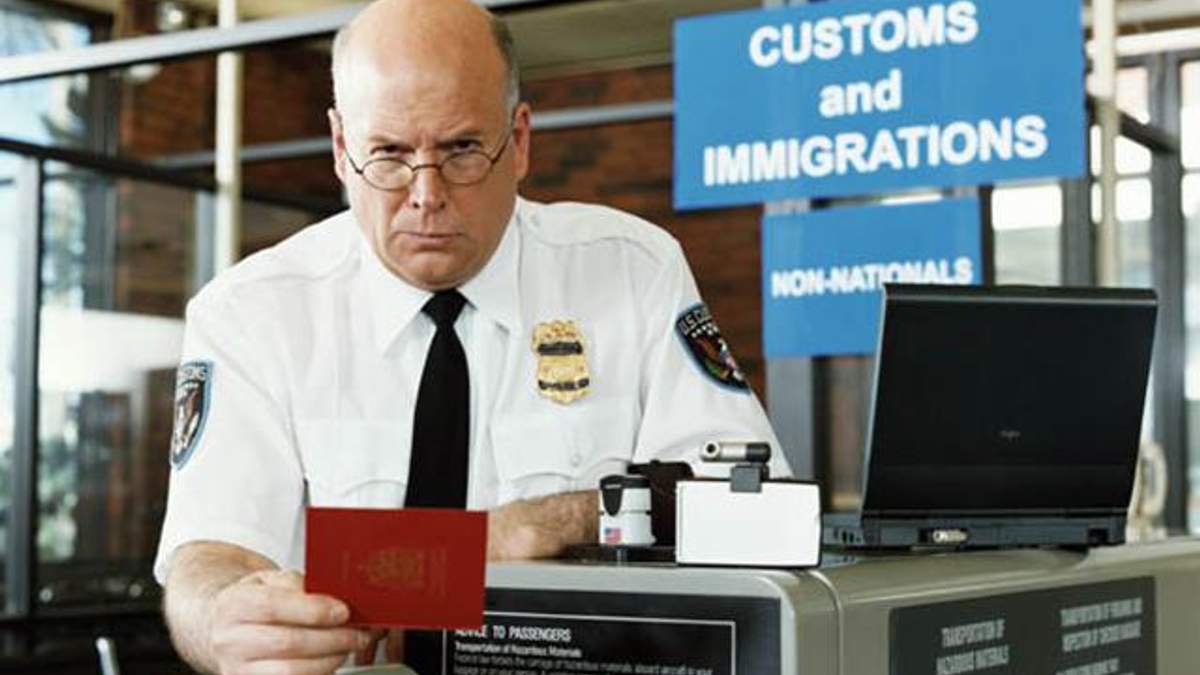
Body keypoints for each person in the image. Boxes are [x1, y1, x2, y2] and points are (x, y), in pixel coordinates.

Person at [154, 0, 788, 672]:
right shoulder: (251, 314)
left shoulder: (633, 272)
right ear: (341, 149)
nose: (426, 194)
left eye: (461, 150)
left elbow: (748, 504)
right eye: (388, 154)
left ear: (519, 141)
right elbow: (207, 555)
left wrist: (542, 525)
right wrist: (223, 619)